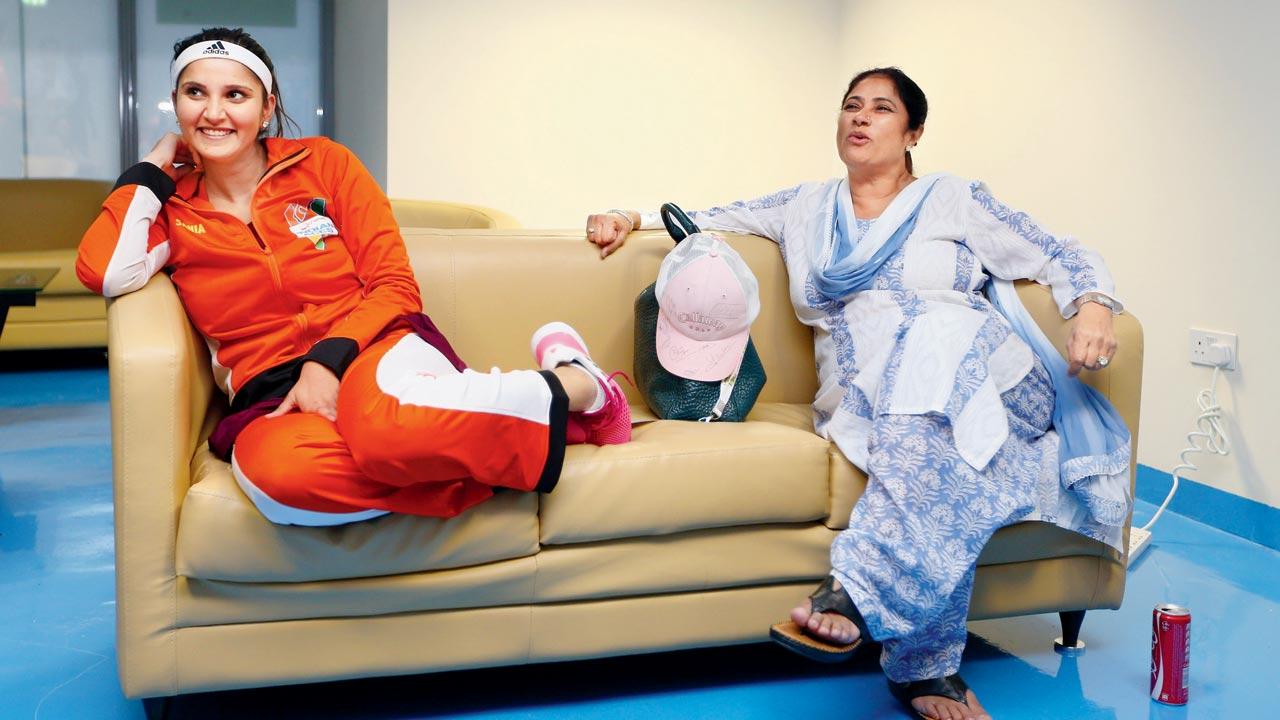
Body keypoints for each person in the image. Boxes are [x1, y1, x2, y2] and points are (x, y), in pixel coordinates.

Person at [586, 67, 1129, 720]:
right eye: (851, 106)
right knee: (930, 450)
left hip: (997, 379)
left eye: (881, 108)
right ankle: (923, 670)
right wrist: (626, 215)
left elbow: (1056, 252)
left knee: (934, 322)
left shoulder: (952, 199)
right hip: (876, 404)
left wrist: (1093, 307)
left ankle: (857, 588)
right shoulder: (804, 210)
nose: (860, 118)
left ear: (913, 132)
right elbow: (703, 216)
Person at [77, 27, 630, 527]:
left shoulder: (325, 163)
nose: (213, 112)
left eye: (235, 95)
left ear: (267, 107)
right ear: (175, 105)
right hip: (270, 393)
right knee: (281, 478)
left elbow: (394, 284)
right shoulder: (172, 211)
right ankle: (547, 421)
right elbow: (104, 270)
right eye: (195, 93)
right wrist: (150, 170)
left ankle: (577, 386)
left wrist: (326, 360)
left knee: (384, 432)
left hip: (374, 347)